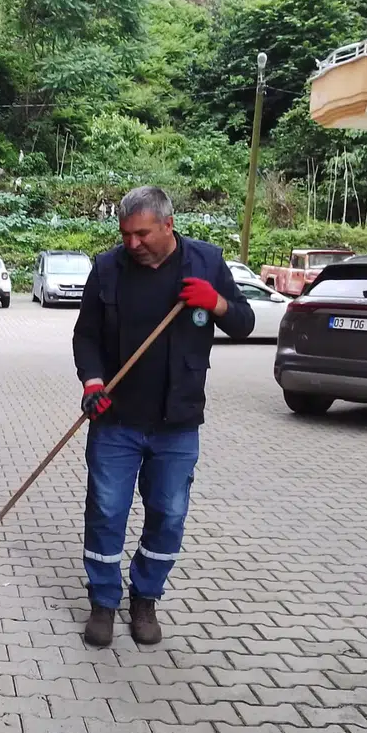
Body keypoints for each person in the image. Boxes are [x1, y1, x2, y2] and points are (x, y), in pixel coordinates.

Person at [72, 186, 254, 647]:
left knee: (169, 513)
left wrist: (215, 303)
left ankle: (145, 598)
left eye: (143, 234)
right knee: (106, 510)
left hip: (177, 422)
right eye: (126, 234)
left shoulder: (206, 263)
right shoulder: (108, 268)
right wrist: (93, 381)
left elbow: (245, 322)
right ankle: (103, 601)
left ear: (168, 225)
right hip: (115, 422)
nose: (133, 244)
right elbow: (86, 336)